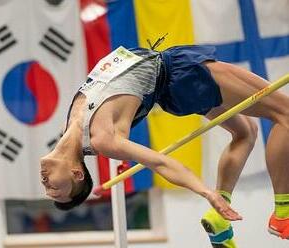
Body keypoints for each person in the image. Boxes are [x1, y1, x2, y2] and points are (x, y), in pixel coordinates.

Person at [40, 45, 289, 246]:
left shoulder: (69, 127)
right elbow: (161, 163)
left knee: (245, 132)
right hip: (181, 74)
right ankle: (283, 212)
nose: (47, 186)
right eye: (56, 190)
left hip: (175, 81)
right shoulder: (102, 139)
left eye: (49, 189)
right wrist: (205, 192)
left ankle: (219, 219)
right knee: (285, 113)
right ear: (77, 173)